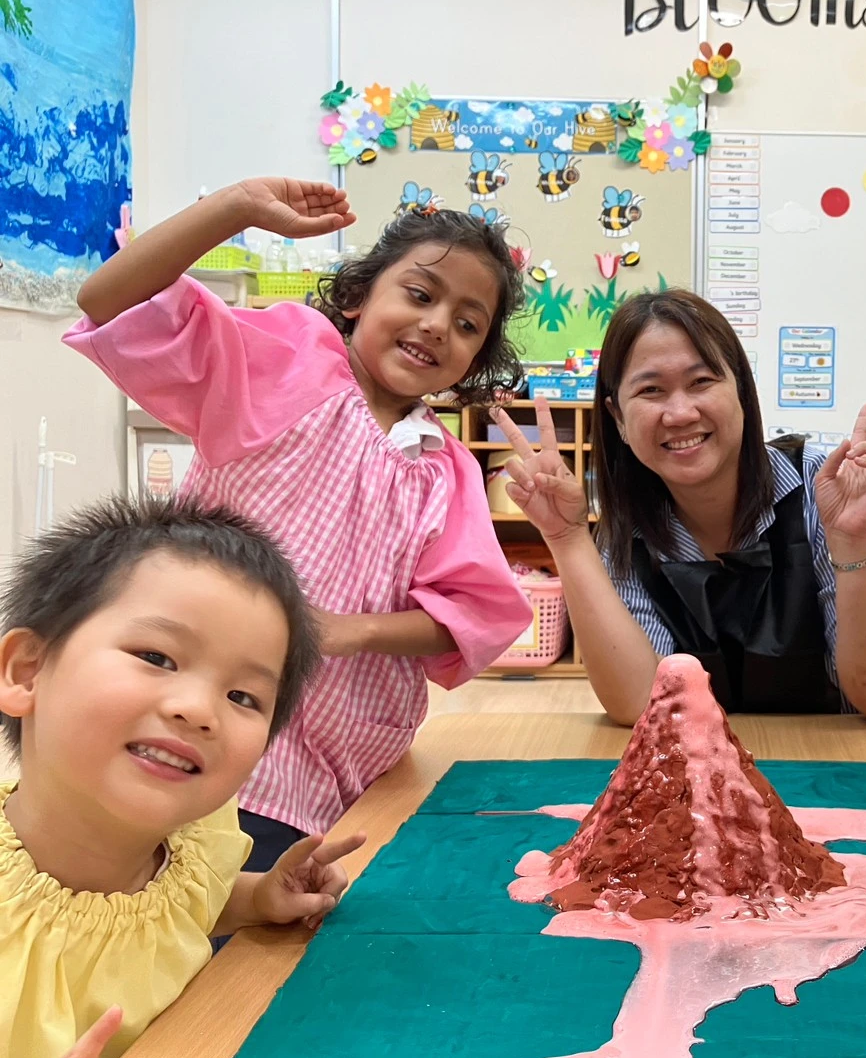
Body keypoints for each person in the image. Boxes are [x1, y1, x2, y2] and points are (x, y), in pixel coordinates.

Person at [68, 180, 533, 871]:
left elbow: (474, 614)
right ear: (356, 298)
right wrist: (235, 209)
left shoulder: (448, 470)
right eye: (419, 294)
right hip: (187, 725)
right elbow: (109, 301)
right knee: (137, 903)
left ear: (475, 360)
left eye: (468, 324)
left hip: (330, 777)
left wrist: (356, 629)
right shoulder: (286, 358)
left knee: (263, 939)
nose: (438, 324)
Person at [0, 496, 364, 1058]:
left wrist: (258, 898)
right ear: (27, 672)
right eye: (157, 656)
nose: (199, 710)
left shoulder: (193, 844)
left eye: (243, 696)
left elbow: (172, 919)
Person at [495, 289, 866, 724]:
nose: (681, 412)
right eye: (651, 390)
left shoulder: (830, 491)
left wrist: (852, 542)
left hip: (850, 762)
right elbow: (640, 707)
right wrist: (567, 538)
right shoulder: (626, 536)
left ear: (741, 389)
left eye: (701, 381)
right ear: (618, 419)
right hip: (711, 773)